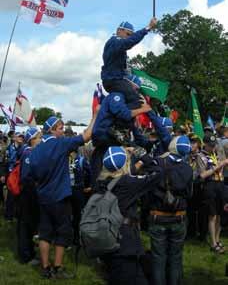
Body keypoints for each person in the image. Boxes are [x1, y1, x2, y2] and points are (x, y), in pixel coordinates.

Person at [29, 114, 97, 279]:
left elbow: (32, 175)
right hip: (59, 197)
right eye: (60, 129)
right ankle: (58, 267)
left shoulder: (35, 150)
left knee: (44, 233)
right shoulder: (60, 144)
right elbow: (87, 135)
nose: (63, 132)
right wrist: (95, 116)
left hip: (43, 196)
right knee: (63, 232)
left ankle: (45, 268)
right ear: (52, 130)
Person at [96, 146, 163, 285]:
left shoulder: (101, 182)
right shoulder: (128, 183)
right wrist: (142, 155)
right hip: (125, 242)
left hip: (106, 237)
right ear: (126, 163)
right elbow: (158, 173)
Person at [148, 135, 193, 285]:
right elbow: (189, 194)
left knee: (158, 257)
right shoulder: (188, 169)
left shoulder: (158, 163)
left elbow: (150, 188)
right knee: (175, 257)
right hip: (178, 217)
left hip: (158, 216)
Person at [101, 18, 157, 109]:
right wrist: (148, 27)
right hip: (114, 80)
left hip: (115, 79)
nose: (129, 37)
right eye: (128, 34)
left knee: (133, 98)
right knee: (136, 101)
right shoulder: (115, 41)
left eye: (130, 35)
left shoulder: (118, 46)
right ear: (119, 30)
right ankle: (115, 118)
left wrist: (133, 82)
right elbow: (129, 42)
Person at [196, 134, 228, 253]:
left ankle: (218, 239)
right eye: (210, 146)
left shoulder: (216, 154)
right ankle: (213, 243)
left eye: (214, 146)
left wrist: (223, 164)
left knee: (220, 214)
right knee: (212, 215)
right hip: (210, 186)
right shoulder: (200, 156)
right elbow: (202, 175)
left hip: (220, 184)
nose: (212, 148)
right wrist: (218, 166)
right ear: (205, 144)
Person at [17, 127, 41, 264]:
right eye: (39, 137)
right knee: (26, 224)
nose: (41, 140)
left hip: (30, 191)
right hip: (28, 192)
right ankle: (25, 255)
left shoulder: (30, 151)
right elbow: (26, 176)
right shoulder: (28, 153)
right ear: (32, 139)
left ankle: (29, 252)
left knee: (29, 223)